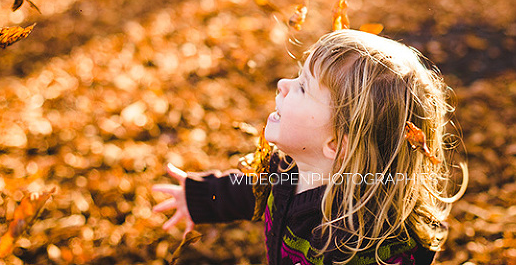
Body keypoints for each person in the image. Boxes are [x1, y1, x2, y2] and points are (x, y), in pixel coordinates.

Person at [152, 29, 467, 265]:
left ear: (335, 144)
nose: (283, 85)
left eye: (303, 87)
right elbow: (256, 191)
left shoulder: (352, 242)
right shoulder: (289, 169)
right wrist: (201, 197)